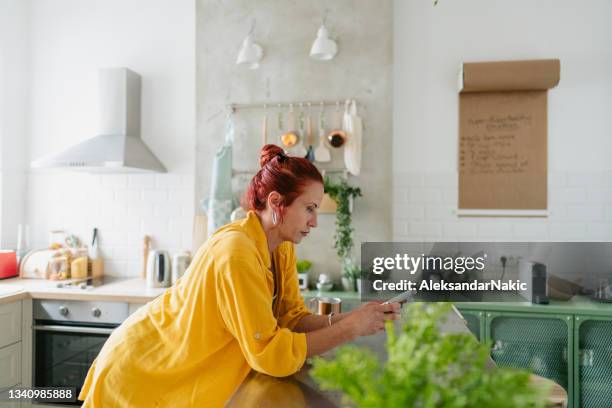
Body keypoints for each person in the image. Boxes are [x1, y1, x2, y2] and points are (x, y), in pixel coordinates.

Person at [78, 144, 400, 407]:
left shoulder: (281, 245)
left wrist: (353, 317)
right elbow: (270, 356)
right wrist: (352, 329)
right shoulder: (236, 252)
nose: (315, 221)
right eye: (310, 208)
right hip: (143, 374)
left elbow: (290, 319)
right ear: (277, 203)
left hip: (170, 371)